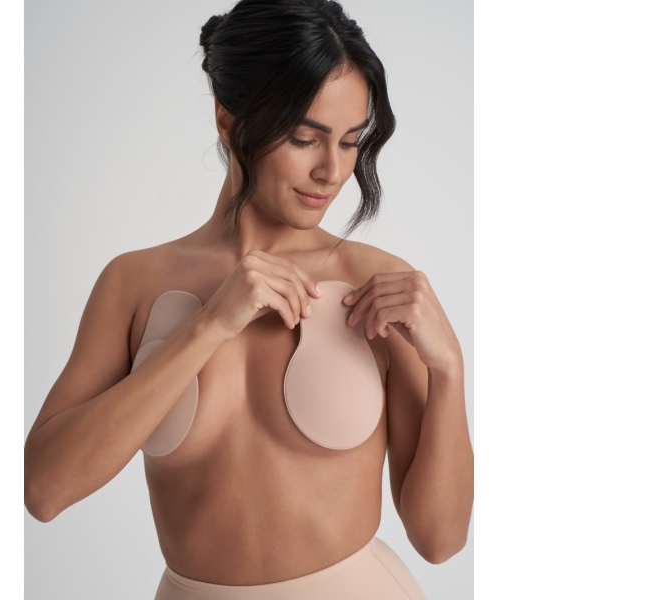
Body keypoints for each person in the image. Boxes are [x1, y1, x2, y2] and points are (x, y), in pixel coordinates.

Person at [24, 0, 474, 597]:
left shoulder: (375, 285)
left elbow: (440, 540)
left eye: (349, 141)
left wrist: (449, 371)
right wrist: (209, 325)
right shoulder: (133, 284)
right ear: (228, 119)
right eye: (304, 138)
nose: (333, 171)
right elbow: (45, 491)